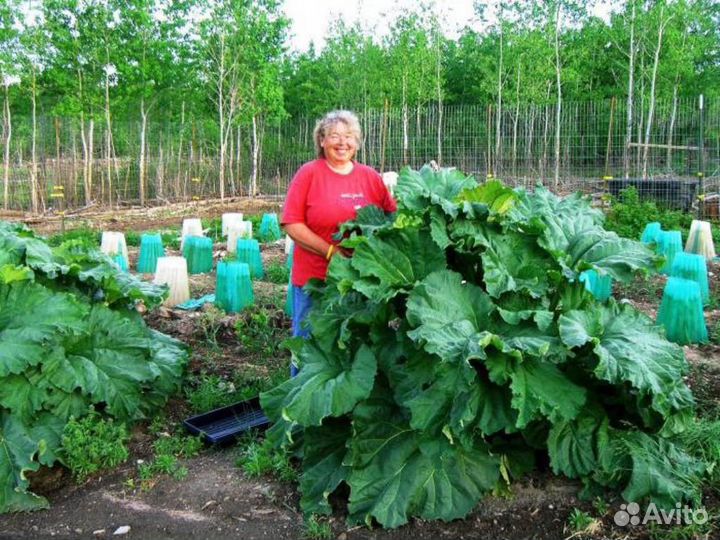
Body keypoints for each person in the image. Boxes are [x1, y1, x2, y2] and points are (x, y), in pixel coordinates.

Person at [282, 110, 397, 376]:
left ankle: (347, 410)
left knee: (359, 346)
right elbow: (292, 223)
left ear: (357, 143)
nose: (342, 142)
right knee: (310, 345)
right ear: (321, 140)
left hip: (362, 279)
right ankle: (302, 406)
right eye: (334, 136)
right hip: (316, 280)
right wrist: (331, 252)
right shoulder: (309, 173)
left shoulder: (370, 177)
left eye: (349, 136)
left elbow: (391, 219)